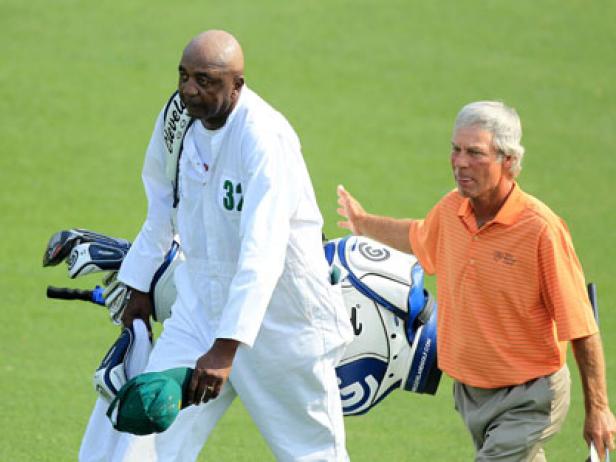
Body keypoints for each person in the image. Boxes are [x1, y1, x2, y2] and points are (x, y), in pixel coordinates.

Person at [111, 29, 353, 461]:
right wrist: (139, 283)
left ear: (237, 85)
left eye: (204, 80)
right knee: (145, 435)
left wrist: (226, 347)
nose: (189, 90)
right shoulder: (178, 119)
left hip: (282, 322)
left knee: (311, 453)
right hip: (200, 307)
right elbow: (160, 203)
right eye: (183, 76)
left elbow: (263, 253)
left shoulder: (265, 139)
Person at [336, 100, 616, 461]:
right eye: (455, 149)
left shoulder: (541, 230)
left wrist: (599, 409)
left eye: (475, 153)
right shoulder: (453, 210)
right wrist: (363, 223)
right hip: (471, 395)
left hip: (528, 396)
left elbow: (582, 327)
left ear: (509, 161)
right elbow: (419, 237)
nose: (460, 162)